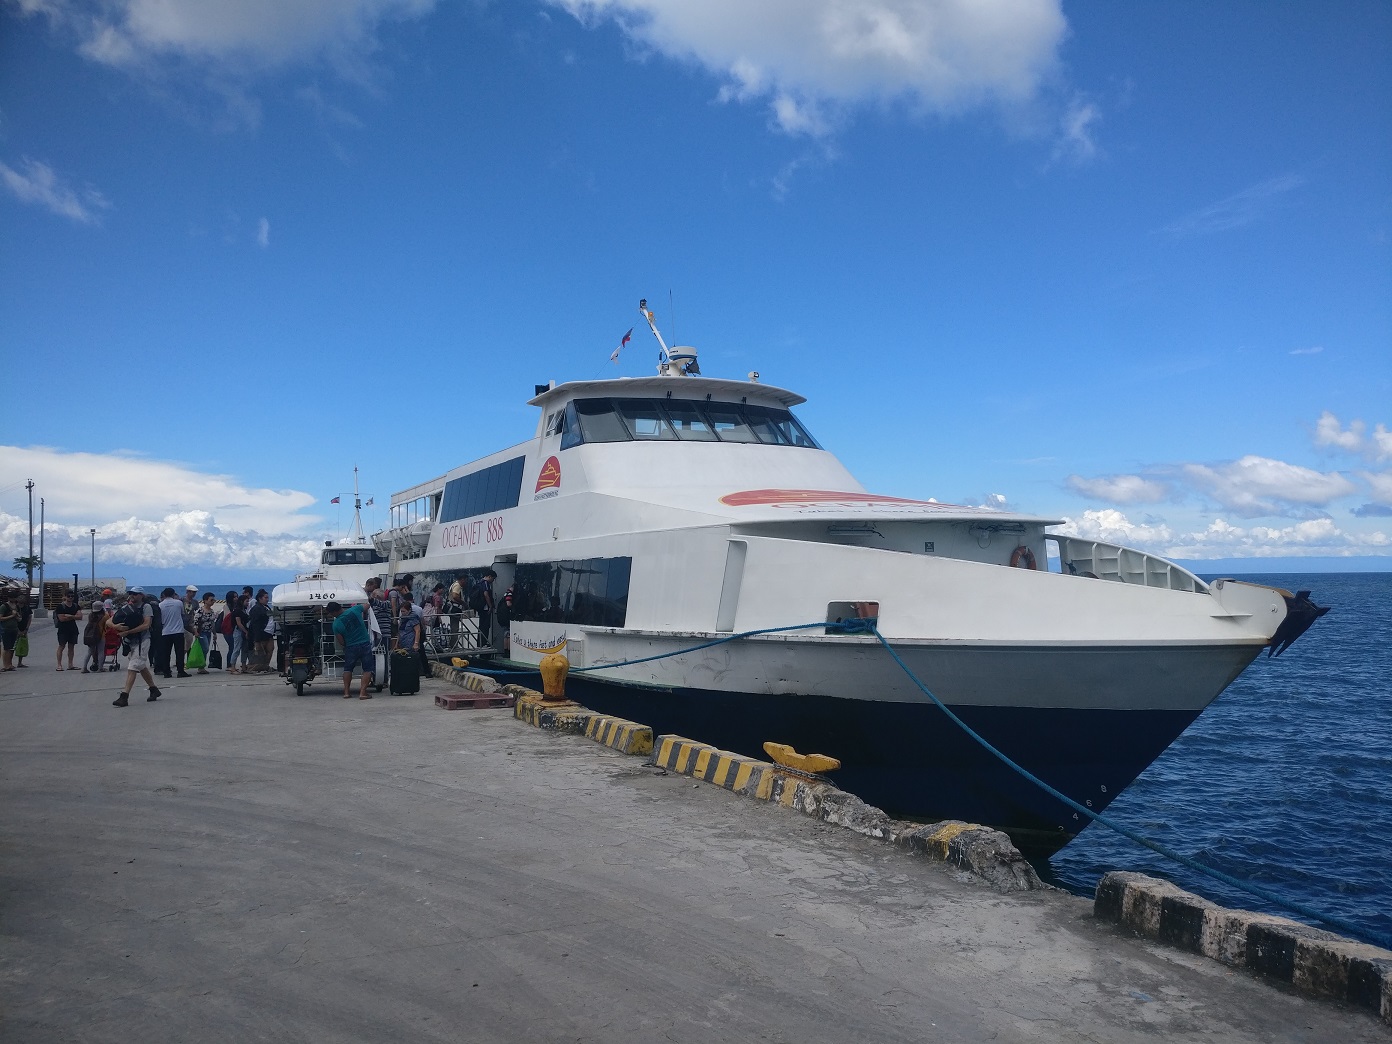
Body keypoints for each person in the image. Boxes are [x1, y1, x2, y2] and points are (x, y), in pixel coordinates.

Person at [110, 588, 161, 706]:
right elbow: (109, 621)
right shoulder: (126, 607)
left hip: (142, 640)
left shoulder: (146, 607)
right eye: (130, 593)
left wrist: (128, 632)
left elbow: (146, 625)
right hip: (131, 641)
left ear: (141, 595)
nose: (132, 596)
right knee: (141, 666)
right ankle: (154, 689)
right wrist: (116, 625)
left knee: (133, 667)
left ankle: (124, 696)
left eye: (135, 594)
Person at [325, 600, 374, 700]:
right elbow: (367, 605)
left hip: (351, 647)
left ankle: (346, 692)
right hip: (364, 643)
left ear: (334, 612)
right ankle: (363, 693)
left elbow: (341, 641)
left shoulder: (336, 624)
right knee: (367, 669)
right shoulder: (355, 609)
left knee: (348, 669)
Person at [158, 587, 190, 679]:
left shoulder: (161, 605)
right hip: (178, 631)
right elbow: (182, 613)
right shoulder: (179, 603)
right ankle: (180, 671)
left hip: (166, 631)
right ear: (173, 594)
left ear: (164, 594)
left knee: (166, 653)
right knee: (179, 652)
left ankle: (166, 672)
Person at [54, 590, 82, 670]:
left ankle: (70, 664)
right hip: (63, 629)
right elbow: (61, 619)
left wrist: (69, 616)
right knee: (61, 646)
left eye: (72, 596)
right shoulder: (60, 606)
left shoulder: (76, 606)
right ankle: (59, 665)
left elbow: (80, 617)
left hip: (73, 629)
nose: (70, 598)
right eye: (69, 596)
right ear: (65, 596)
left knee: (71, 647)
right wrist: (73, 616)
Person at [248, 589, 273, 673]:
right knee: (261, 653)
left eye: (268, 597)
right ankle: (256, 667)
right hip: (262, 634)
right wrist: (257, 639)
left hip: (269, 633)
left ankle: (265, 666)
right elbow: (255, 624)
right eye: (265, 597)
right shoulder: (257, 609)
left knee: (270, 650)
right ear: (260, 598)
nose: (267, 599)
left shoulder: (266, 607)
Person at [192, 592, 217, 675]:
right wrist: (196, 632)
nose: (213, 602)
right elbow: (195, 622)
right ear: (205, 601)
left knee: (205, 650)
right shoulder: (200, 611)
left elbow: (212, 623)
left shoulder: (212, 611)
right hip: (201, 632)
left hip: (209, 632)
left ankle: (201, 666)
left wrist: (214, 633)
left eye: (214, 600)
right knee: (205, 648)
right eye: (211, 600)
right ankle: (200, 666)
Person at [472, 569, 497, 646]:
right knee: (485, 626)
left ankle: (480, 643)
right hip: (485, 608)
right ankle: (483, 643)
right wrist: (490, 606)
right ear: (489, 577)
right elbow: (486, 594)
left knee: (481, 626)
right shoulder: (485, 583)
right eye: (493, 579)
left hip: (480, 608)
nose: (493, 581)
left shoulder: (479, 582)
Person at [82, 600, 107, 674]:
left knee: (89, 652)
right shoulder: (105, 616)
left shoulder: (90, 615)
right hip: (101, 635)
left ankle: (84, 667)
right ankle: (100, 668)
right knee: (101, 651)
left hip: (91, 635)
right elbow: (107, 626)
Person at [0, 590, 20, 671]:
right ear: (9, 598)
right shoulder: (4, 606)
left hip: (14, 628)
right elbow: (1, 618)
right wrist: (12, 616)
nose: (14, 599)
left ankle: (10, 663)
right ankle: (5, 665)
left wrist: (17, 617)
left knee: (11, 648)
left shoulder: (16, 606)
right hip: (6, 629)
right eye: (12, 598)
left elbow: (19, 617)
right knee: (6, 647)